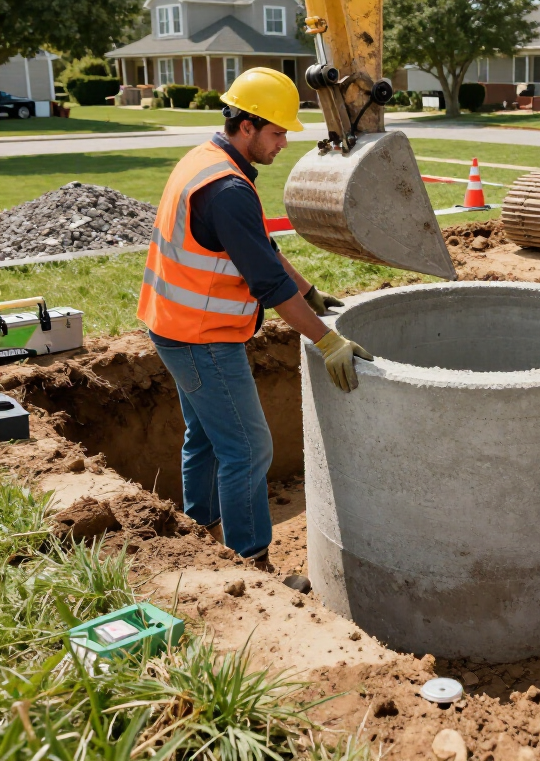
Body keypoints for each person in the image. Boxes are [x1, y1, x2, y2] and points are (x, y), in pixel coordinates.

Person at [137, 67, 371, 567]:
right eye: (277, 131)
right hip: (202, 336)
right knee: (248, 448)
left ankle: (200, 528)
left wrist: (309, 292)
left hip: (174, 324)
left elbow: (257, 249)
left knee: (204, 436)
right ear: (246, 126)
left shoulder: (209, 162)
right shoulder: (227, 190)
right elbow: (267, 285)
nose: (285, 142)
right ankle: (252, 559)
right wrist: (327, 342)